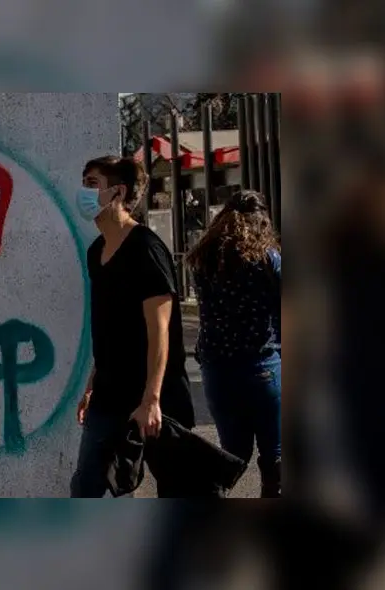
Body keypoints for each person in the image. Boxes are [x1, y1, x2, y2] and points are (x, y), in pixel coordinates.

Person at [70, 156, 195, 497]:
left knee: (176, 487)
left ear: (118, 192)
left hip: (157, 399)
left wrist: (151, 400)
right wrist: (93, 383)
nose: (83, 191)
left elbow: (161, 333)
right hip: (110, 395)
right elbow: (110, 328)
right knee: (87, 484)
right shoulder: (97, 252)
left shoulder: (146, 250)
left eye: (92, 183)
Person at [185, 190, 282, 498]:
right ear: (262, 221)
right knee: (274, 454)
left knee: (231, 454)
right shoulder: (267, 258)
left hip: (218, 370)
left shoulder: (203, 258)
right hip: (261, 366)